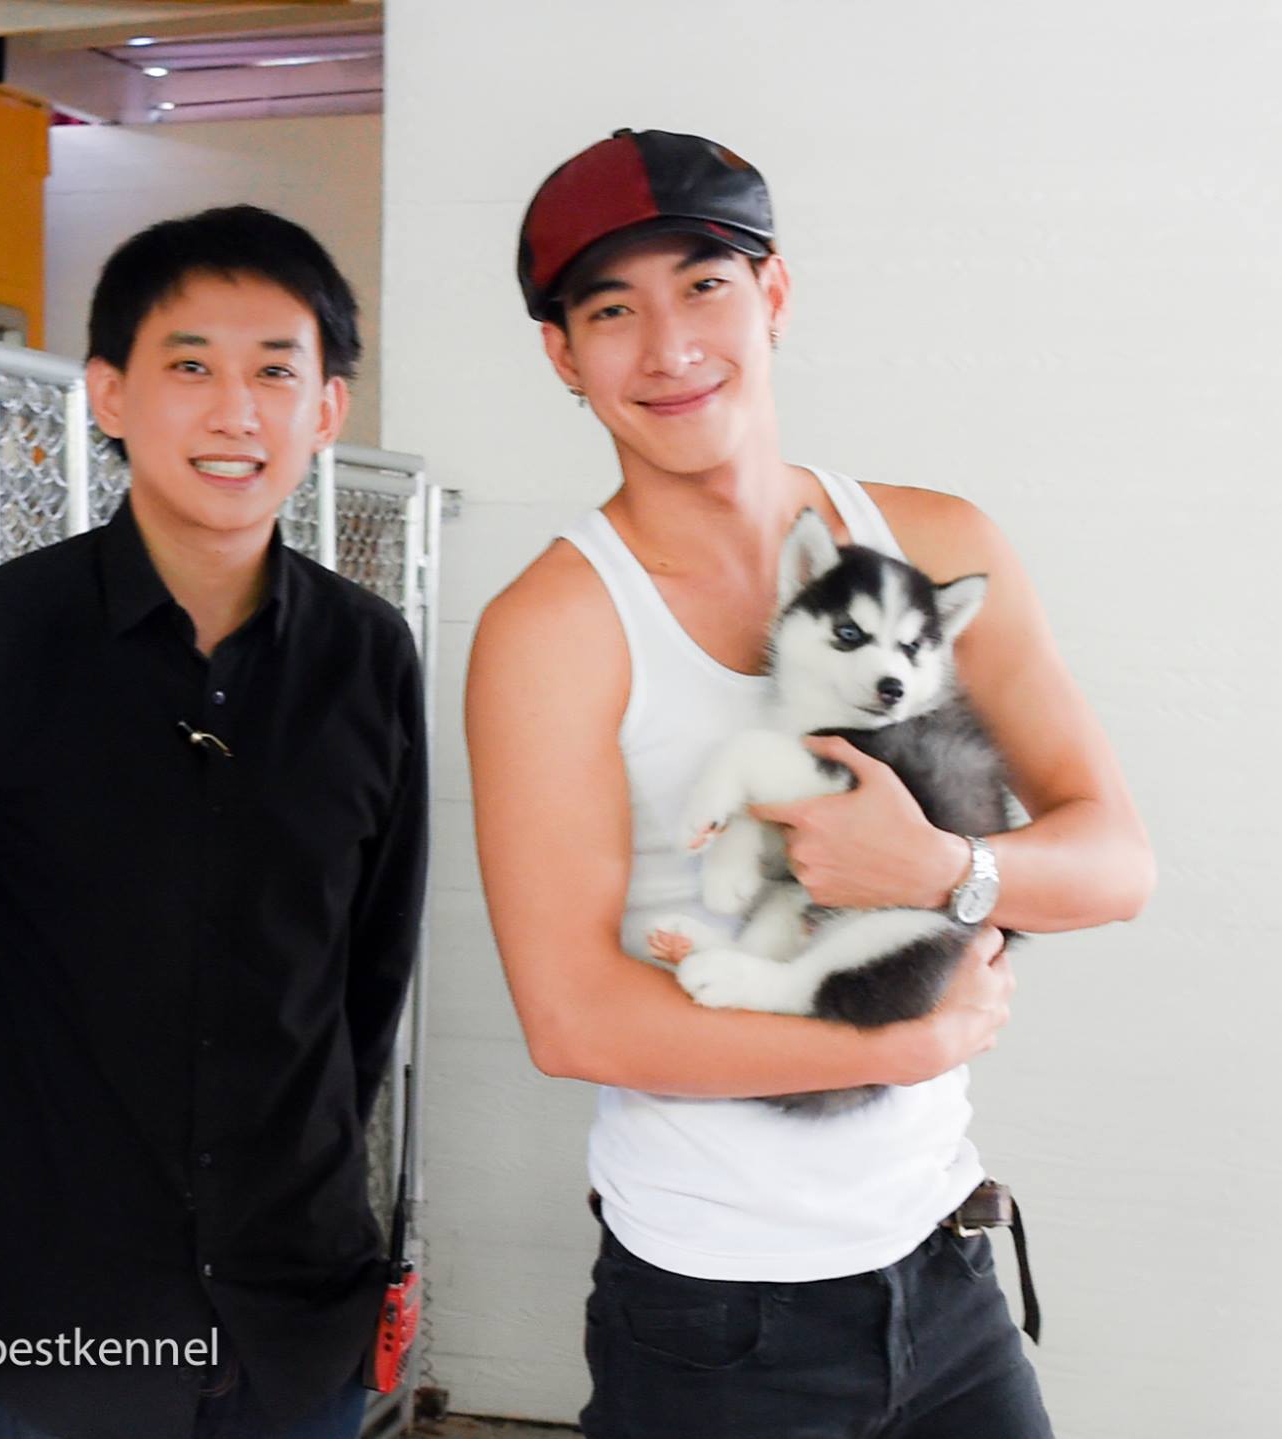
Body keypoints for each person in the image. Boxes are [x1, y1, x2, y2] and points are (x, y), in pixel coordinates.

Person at [465, 130, 1155, 1437]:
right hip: (717, 1317)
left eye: (704, 286)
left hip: (946, 1264)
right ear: (562, 354)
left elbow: (1115, 862)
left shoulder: (934, 545)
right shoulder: (553, 628)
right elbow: (572, 1017)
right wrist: (899, 1044)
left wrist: (946, 870)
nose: (669, 346)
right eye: (611, 310)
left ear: (772, 294)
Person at [0, 204, 428, 1439]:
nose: (235, 413)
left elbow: (372, 958)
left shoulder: (367, 653)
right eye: (190, 367)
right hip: (65, 1286)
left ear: (326, 408)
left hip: (297, 1303)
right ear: (110, 393)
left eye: (274, 372)